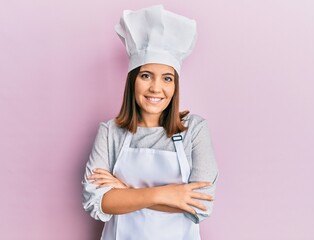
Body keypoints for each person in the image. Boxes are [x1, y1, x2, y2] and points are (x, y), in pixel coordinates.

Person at [82, 5, 218, 240]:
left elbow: (200, 205)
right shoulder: (110, 132)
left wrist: (125, 192)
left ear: (175, 86)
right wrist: (165, 195)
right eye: (146, 76)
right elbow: (97, 201)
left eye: (167, 78)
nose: (156, 88)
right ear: (133, 81)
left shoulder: (194, 130)